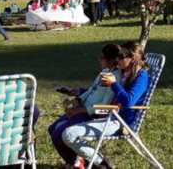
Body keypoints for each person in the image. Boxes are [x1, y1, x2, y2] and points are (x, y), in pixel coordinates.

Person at [62, 41, 150, 169]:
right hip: (110, 116)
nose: (117, 58)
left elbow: (129, 102)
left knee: (68, 134)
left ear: (133, 59)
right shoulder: (125, 73)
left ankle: (102, 163)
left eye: (121, 56)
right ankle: (94, 162)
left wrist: (114, 84)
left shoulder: (141, 77)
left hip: (121, 122)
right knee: (66, 132)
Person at [49, 44, 122, 169]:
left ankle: (76, 163)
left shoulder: (116, 78)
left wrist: (79, 111)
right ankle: (78, 161)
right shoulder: (105, 71)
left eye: (101, 57)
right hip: (83, 108)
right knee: (52, 129)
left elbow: (105, 106)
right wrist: (77, 100)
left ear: (111, 61)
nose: (99, 60)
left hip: (91, 113)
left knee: (57, 133)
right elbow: (91, 90)